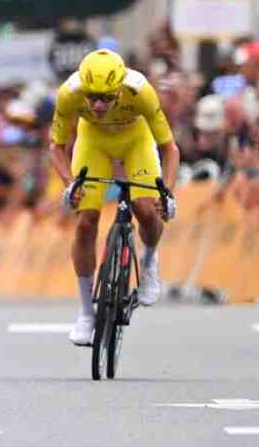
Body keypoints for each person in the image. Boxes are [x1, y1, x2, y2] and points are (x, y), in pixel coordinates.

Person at [48, 48, 179, 346]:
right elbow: (56, 147)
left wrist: (168, 192)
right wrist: (69, 185)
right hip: (93, 143)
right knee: (85, 222)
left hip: (136, 141)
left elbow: (170, 148)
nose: (97, 104)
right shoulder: (69, 93)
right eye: (92, 97)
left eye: (107, 98)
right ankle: (85, 312)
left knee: (145, 209)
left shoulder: (140, 90)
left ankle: (149, 261)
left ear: (120, 88)